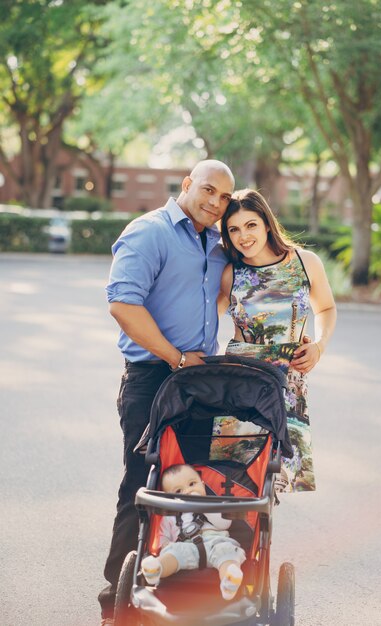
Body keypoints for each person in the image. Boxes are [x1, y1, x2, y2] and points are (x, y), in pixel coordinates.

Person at [99, 160, 235, 625]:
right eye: (208, 190)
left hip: (201, 379)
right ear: (186, 184)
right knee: (144, 481)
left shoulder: (217, 242)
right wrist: (176, 357)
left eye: (223, 198)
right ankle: (115, 594)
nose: (215, 203)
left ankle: (178, 580)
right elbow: (122, 303)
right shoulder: (149, 232)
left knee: (196, 483)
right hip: (153, 377)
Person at [218, 189, 337, 493]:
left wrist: (319, 346)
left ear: (267, 224)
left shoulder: (304, 261)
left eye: (251, 225)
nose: (243, 236)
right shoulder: (231, 272)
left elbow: (325, 307)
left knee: (274, 474)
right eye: (234, 229)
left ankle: (258, 538)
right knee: (233, 473)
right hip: (242, 376)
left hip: (288, 375)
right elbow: (204, 316)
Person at [141, 464, 246, 600]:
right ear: (170, 498)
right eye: (178, 491)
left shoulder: (213, 504)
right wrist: (165, 544)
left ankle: (229, 581)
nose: (188, 491)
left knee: (229, 553)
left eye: (192, 484)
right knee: (173, 553)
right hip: (186, 547)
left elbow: (224, 523)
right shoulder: (170, 515)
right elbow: (162, 535)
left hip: (216, 543)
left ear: (202, 484)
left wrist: (203, 506)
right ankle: (156, 569)